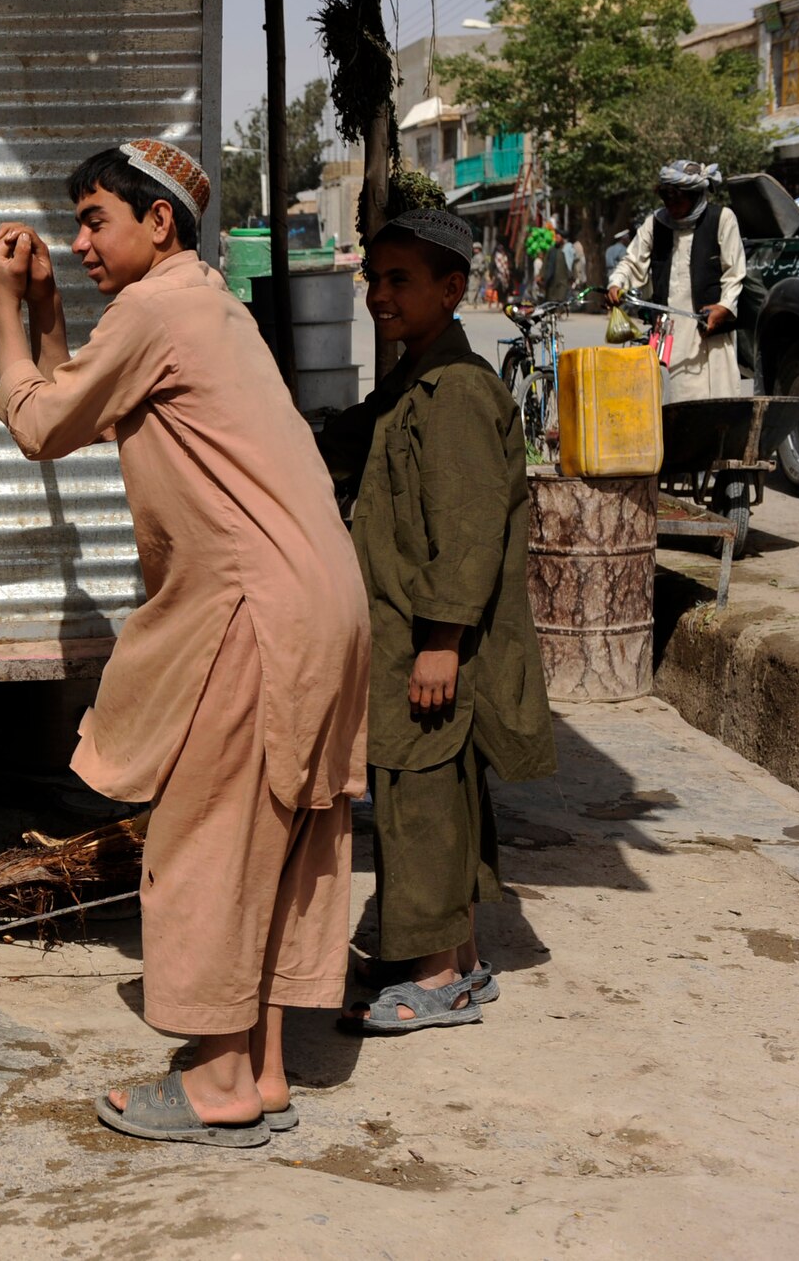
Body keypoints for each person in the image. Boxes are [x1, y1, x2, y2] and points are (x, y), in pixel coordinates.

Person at [0, 140, 369, 1146]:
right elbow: (90, 402)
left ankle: (213, 1085)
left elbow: (37, 423)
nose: (78, 243)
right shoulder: (199, 304)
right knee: (276, 837)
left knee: (203, 839)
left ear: (158, 224)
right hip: (317, 600)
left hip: (255, 609)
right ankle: (263, 1068)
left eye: (94, 222)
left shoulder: (157, 311)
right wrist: (48, 313)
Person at [315, 209, 556, 1035]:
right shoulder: (416, 379)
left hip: (428, 639)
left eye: (399, 281)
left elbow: (467, 532)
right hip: (406, 631)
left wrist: (441, 644)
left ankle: (439, 974)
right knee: (438, 794)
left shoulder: (454, 394)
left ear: (453, 290)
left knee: (419, 796)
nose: (378, 295)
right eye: (372, 280)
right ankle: (461, 957)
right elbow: (346, 446)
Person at [607, 160, 749, 402]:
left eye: (677, 199)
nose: (671, 206)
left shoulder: (722, 219)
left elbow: (734, 273)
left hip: (708, 333)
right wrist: (616, 283)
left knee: (714, 403)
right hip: (667, 333)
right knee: (669, 401)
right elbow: (632, 261)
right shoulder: (656, 223)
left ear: (695, 196)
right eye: (667, 199)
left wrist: (724, 307)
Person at [468, 242, 489, 309]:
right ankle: (475, 302)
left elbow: (478, 266)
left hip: (476, 275)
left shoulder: (479, 256)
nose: (474, 249)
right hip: (474, 274)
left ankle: (471, 302)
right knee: (474, 288)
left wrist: (470, 267)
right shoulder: (476, 256)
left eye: (476, 248)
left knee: (473, 288)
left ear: (479, 249)